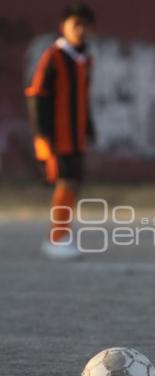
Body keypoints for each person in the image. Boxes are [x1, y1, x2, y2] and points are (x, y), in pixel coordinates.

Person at [25, 3, 95, 259]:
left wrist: (89, 127)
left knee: (74, 184)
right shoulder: (53, 56)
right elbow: (36, 95)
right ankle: (55, 238)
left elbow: (83, 98)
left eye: (85, 25)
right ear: (63, 27)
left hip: (76, 136)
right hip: (57, 135)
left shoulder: (85, 58)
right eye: (76, 24)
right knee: (64, 183)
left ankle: (63, 233)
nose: (81, 30)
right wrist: (43, 133)